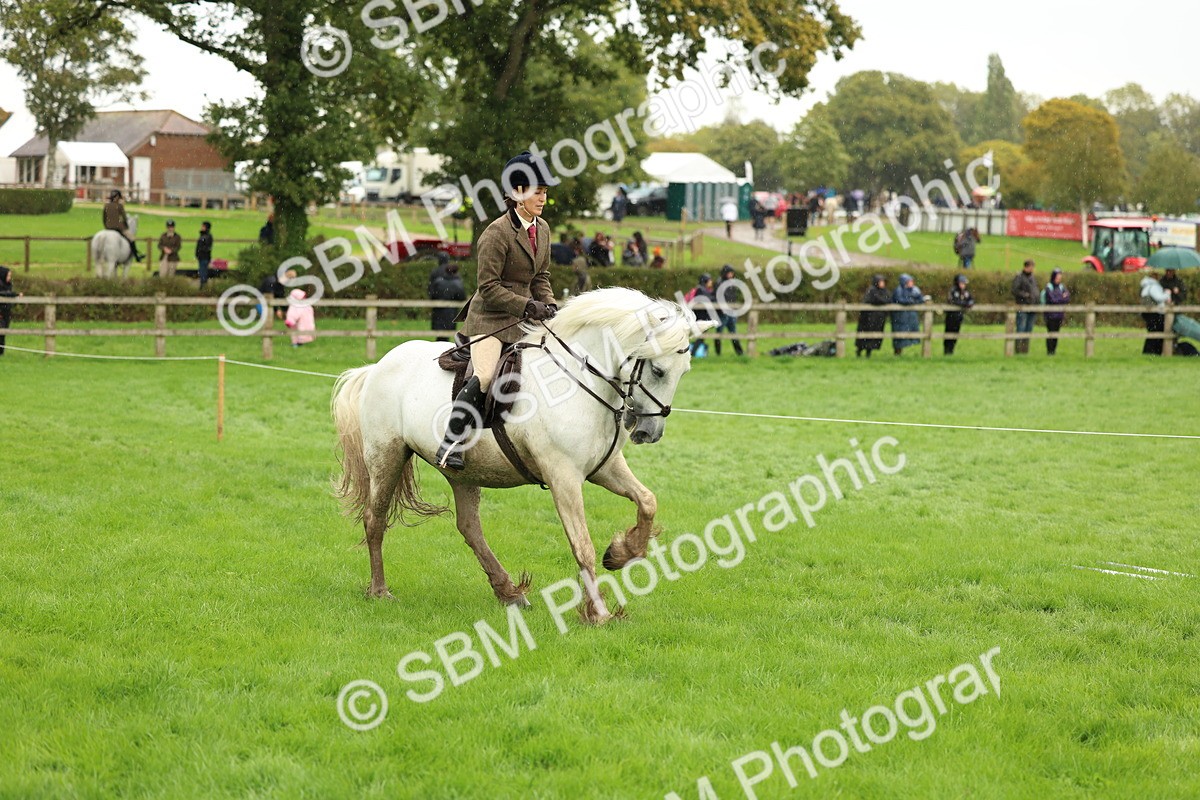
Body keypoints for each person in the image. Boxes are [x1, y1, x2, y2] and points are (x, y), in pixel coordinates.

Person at [436, 151, 558, 470]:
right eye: (537, 192)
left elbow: (541, 277)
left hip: (525, 318)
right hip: (490, 320)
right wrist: (527, 305)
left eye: (545, 192)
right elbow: (488, 287)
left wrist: (550, 304)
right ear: (517, 193)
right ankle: (451, 441)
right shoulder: (496, 232)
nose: (542, 198)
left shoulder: (543, 229)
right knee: (487, 374)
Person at [102, 190, 143, 262]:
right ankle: (136, 256)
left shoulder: (106, 206)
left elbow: (104, 218)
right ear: (117, 197)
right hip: (118, 227)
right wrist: (126, 226)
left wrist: (106, 226)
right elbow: (124, 218)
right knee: (132, 238)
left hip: (108, 228)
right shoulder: (119, 206)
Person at [429, 262, 467, 342]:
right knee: (446, 336)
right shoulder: (457, 283)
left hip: (438, 312)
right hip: (451, 312)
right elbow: (462, 297)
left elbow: (432, 295)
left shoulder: (438, 282)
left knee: (440, 336)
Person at [890, 273, 926, 355]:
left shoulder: (915, 290)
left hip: (910, 317)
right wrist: (911, 301)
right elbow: (899, 300)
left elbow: (921, 299)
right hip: (900, 317)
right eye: (909, 281)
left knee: (910, 332)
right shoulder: (899, 290)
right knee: (899, 334)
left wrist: (913, 301)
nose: (911, 283)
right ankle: (897, 352)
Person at [713, 264, 744, 356]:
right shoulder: (719, 283)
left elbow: (732, 297)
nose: (731, 275)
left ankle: (740, 353)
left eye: (732, 273)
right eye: (729, 273)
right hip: (722, 313)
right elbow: (718, 297)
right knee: (719, 333)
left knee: (733, 333)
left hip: (731, 312)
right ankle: (718, 353)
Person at [1140, 269, 1172, 356]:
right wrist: (1167, 294)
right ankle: (1153, 351)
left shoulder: (1146, 285)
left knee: (1152, 332)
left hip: (1148, 313)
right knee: (1157, 332)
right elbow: (1158, 298)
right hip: (1153, 313)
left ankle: (1149, 352)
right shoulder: (1153, 286)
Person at [856, 274, 889, 357]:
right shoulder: (871, 291)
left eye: (883, 282)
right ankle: (859, 350)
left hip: (879, 318)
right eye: (881, 282)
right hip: (868, 318)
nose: (882, 283)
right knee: (865, 335)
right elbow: (874, 300)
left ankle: (869, 352)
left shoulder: (885, 291)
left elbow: (888, 299)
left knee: (875, 336)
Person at [1011, 260, 1039, 355]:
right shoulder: (1019, 277)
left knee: (1028, 329)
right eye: (1031, 267)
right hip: (1022, 307)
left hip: (1032, 307)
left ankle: (1025, 351)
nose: (1032, 269)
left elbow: (1035, 290)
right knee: (1021, 328)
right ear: (1026, 267)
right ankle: (1018, 350)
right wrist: (1025, 295)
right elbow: (1014, 290)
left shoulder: (1032, 278)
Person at [685, 273, 716, 357]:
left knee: (701, 337)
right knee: (701, 337)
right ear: (705, 281)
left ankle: (691, 353)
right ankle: (692, 353)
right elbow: (707, 300)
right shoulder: (701, 290)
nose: (711, 282)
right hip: (701, 317)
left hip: (701, 316)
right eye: (709, 280)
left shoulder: (702, 289)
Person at [1040, 268, 1070, 355]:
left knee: (1056, 334)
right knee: (1050, 333)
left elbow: (1067, 297)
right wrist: (1061, 298)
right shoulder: (1049, 287)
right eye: (1057, 278)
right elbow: (1052, 299)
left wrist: (1059, 298)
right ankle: (1049, 351)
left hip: (1059, 315)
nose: (1059, 279)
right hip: (1050, 315)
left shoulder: (1061, 287)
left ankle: (1053, 351)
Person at [944, 274, 974, 355]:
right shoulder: (953, 291)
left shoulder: (966, 292)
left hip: (959, 317)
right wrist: (964, 304)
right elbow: (953, 301)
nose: (963, 285)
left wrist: (969, 303)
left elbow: (971, 300)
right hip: (951, 316)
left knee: (955, 334)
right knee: (948, 333)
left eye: (964, 283)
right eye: (961, 283)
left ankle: (951, 351)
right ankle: (947, 351)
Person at [0, 266, 20, 356]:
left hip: (6, 313)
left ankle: (1, 353)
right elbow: (3, 294)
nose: (9, 278)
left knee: (3, 333)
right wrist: (15, 294)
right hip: (1, 312)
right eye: (8, 275)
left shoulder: (8, 285)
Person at [196, 221, 214, 289]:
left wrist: (200, 251)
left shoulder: (207, 236)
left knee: (203, 272)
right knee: (202, 271)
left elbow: (206, 247)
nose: (201, 227)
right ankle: (203, 286)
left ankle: (203, 286)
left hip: (204, 257)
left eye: (203, 226)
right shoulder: (204, 236)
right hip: (202, 257)